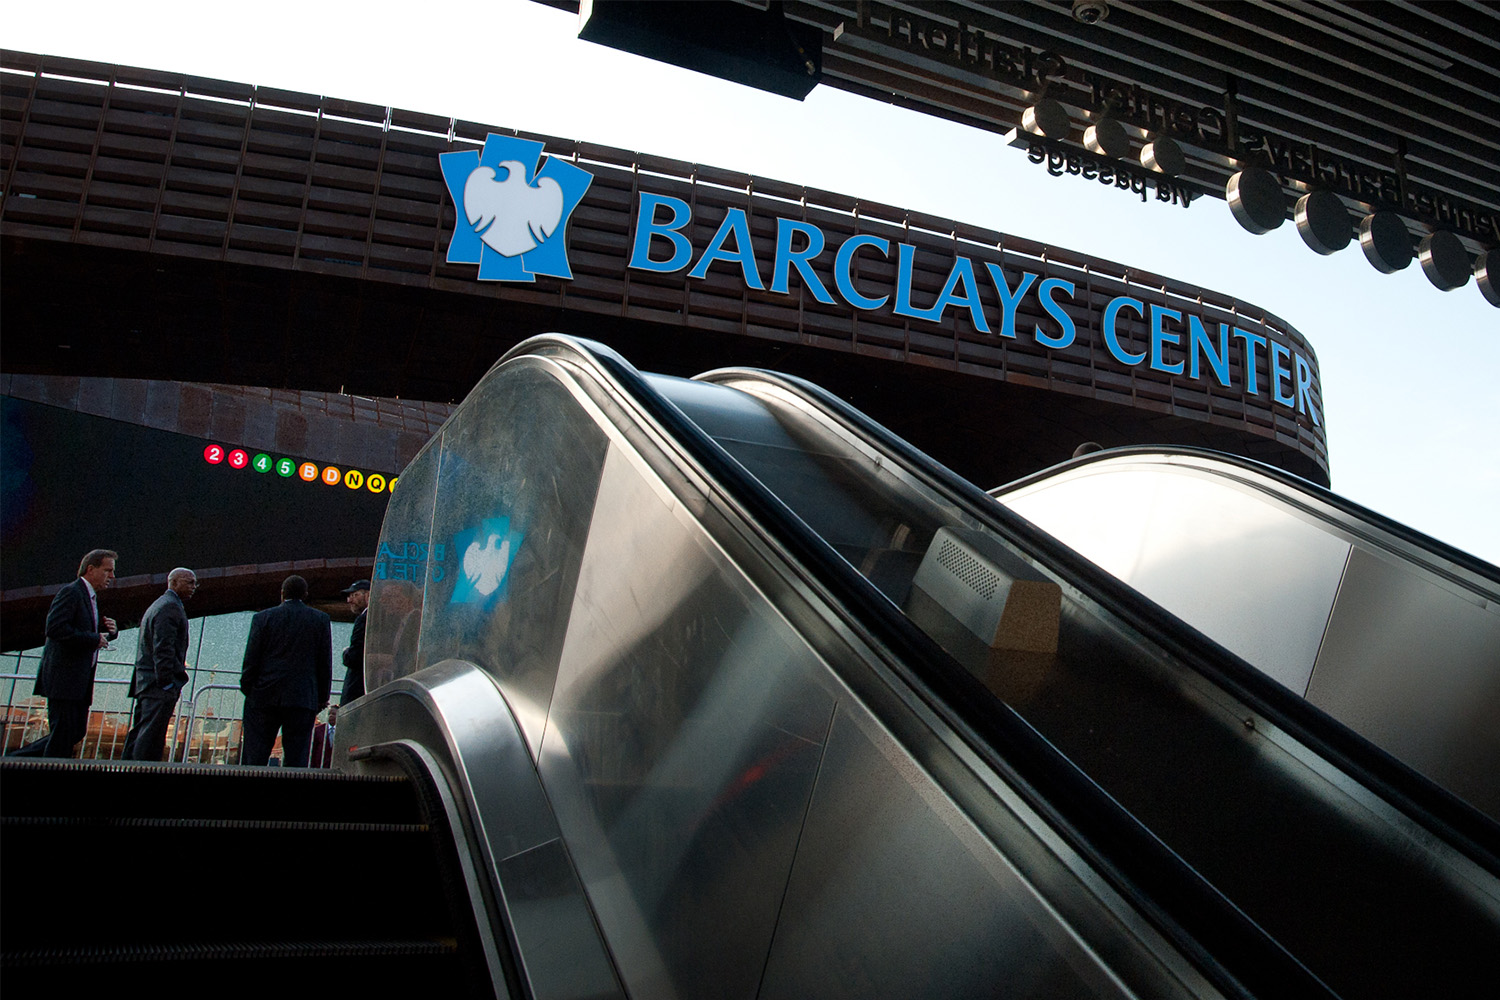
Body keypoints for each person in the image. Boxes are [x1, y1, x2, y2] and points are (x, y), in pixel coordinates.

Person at [14, 550, 120, 758]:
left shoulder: (88, 596)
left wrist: (110, 633)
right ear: (91, 569)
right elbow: (55, 629)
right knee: (63, 732)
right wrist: (94, 639)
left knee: (75, 731)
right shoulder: (71, 592)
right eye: (108, 570)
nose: (112, 576)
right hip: (64, 679)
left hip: (79, 680)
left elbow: (81, 630)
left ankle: (17, 759)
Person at [238, 575, 332, 767]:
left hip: (264, 695)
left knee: (256, 753)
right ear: (305, 595)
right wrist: (321, 697)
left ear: (282, 594)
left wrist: (248, 687)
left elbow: (251, 657)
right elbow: (324, 662)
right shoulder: (320, 619)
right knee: (297, 757)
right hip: (302, 697)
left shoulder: (263, 618)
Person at [122, 568, 198, 762]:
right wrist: (167, 683)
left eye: (195, 583)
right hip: (157, 685)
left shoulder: (160, 605)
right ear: (173, 583)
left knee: (141, 733)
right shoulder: (170, 607)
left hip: (148, 682)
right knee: (151, 738)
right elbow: (163, 648)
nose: (194, 587)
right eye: (189, 582)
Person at [338, 579, 370, 705]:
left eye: (354, 595)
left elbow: (355, 656)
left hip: (357, 689)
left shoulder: (363, 619)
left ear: (368, 595)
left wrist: (346, 653)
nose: (349, 600)